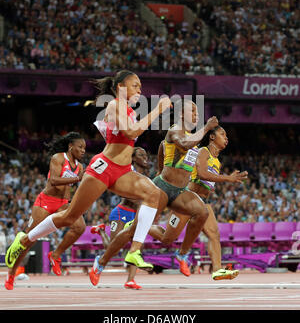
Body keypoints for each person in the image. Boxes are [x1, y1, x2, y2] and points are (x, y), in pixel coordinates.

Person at [5, 70, 172, 283]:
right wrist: (158, 109)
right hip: (104, 168)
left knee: (153, 194)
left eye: (140, 86)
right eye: (135, 85)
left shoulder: (129, 109)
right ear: (120, 87)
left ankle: (134, 251)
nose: (140, 89)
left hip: (122, 171)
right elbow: (131, 132)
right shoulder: (114, 105)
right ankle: (25, 238)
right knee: (70, 217)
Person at [88, 99, 218, 282]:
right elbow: (184, 144)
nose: (197, 115)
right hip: (163, 188)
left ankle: (182, 255)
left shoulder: (192, 136)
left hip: (179, 191)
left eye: (198, 112)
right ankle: (100, 263)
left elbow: (164, 150)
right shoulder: (175, 130)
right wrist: (206, 128)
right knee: (132, 232)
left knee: (199, 215)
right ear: (182, 114)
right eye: (193, 111)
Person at [161, 125, 248, 280]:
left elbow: (208, 180)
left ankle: (217, 270)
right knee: (168, 238)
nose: (226, 138)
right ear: (212, 137)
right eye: (222, 134)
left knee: (214, 234)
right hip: (187, 200)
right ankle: (139, 225)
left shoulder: (217, 162)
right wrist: (228, 178)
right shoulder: (203, 152)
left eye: (227, 135)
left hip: (203, 203)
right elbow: (201, 174)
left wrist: (213, 186)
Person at [5, 132, 86, 290]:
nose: (83, 150)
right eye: (80, 147)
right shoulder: (59, 158)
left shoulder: (80, 166)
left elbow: (71, 188)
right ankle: (12, 273)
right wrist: (77, 179)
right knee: (30, 239)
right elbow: (54, 181)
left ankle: (56, 255)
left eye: (84, 148)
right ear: (71, 147)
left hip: (63, 203)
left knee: (80, 227)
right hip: (45, 202)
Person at [92, 147, 149, 289]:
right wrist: (143, 203)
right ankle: (101, 231)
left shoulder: (146, 177)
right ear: (134, 158)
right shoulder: (129, 172)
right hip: (121, 213)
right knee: (113, 248)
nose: (145, 157)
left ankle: (130, 280)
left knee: (136, 248)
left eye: (146, 154)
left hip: (135, 215)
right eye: (141, 155)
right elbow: (124, 193)